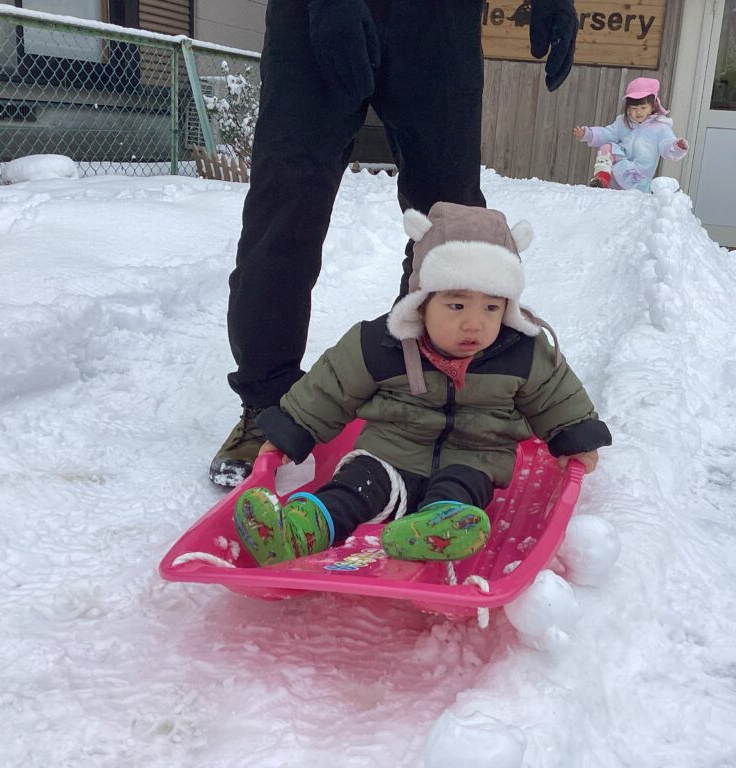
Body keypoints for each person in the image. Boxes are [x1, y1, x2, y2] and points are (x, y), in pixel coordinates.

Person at [211, 0, 581, 487]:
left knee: (450, 218)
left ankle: (420, 390)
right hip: (311, 18)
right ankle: (265, 403)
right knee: (284, 210)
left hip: (437, 18)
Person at [232, 202, 612, 566]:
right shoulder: (381, 344)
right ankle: (296, 531)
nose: (474, 324)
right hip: (390, 451)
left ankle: (435, 533)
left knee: (460, 492)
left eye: (492, 307)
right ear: (422, 301)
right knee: (354, 487)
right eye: (457, 305)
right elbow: (329, 389)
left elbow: (555, 397)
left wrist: (575, 437)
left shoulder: (522, 353)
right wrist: (288, 432)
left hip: (472, 458)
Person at [573, 77, 688, 193]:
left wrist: (677, 147)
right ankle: (602, 179)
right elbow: (608, 133)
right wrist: (588, 134)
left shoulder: (660, 127)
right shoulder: (623, 123)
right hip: (619, 172)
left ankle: (666, 191)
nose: (638, 112)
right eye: (634, 108)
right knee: (607, 147)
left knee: (647, 190)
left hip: (638, 177)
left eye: (643, 108)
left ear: (653, 106)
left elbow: (666, 144)